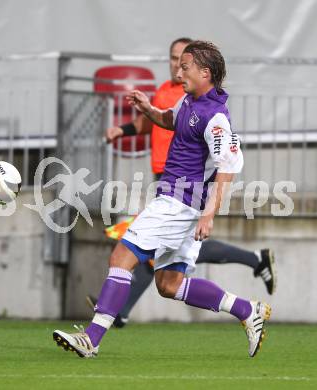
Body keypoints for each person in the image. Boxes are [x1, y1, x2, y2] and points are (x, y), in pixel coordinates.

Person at [53, 40, 271, 358]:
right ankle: (245, 309)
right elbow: (170, 120)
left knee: (121, 257)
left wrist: (209, 214)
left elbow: (229, 167)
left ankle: (92, 338)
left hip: (178, 204)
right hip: (180, 204)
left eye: (185, 66)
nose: (178, 71)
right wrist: (148, 110)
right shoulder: (189, 101)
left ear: (205, 73)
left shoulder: (216, 118)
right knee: (169, 284)